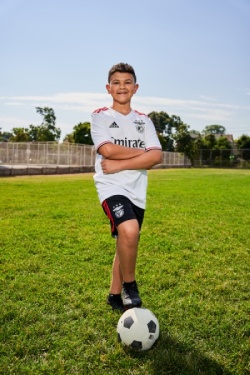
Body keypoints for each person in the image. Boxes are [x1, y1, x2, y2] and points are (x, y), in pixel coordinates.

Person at [90, 62, 162, 312]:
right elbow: (107, 150)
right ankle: (130, 287)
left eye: (127, 82)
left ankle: (114, 295)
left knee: (125, 240)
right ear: (109, 88)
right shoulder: (100, 115)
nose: (122, 87)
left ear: (136, 87)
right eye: (117, 83)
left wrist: (121, 164)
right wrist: (143, 153)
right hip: (110, 187)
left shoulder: (145, 120)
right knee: (130, 232)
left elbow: (156, 157)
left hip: (137, 190)